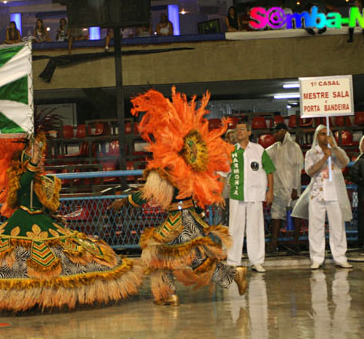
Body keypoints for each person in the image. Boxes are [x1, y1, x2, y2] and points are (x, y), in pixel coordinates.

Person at [0, 134, 143, 311]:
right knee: (13, 261)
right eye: (35, 157)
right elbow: (26, 179)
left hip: (42, 221)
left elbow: (48, 202)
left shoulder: (45, 181)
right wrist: (34, 157)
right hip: (21, 220)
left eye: (40, 156)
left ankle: (42, 297)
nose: (39, 159)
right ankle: (21, 298)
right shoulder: (20, 179)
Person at [111, 88, 248, 306]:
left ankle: (169, 294)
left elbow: (148, 193)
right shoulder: (185, 163)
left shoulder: (167, 165)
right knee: (189, 258)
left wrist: (124, 201)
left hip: (179, 220)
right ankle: (225, 277)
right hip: (190, 216)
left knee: (158, 252)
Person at [292, 125, 352, 269]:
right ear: (317, 137)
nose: (325, 137)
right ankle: (317, 258)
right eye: (322, 134)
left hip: (334, 193)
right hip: (317, 194)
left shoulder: (336, 150)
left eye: (327, 134)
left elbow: (345, 162)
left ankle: (340, 257)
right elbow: (310, 171)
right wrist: (324, 157)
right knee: (315, 227)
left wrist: (334, 150)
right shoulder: (312, 153)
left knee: (337, 226)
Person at [227, 121, 275, 273]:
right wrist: (218, 194)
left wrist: (270, 191)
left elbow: (269, 171)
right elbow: (223, 174)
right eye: (237, 129)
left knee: (255, 228)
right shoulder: (230, 151)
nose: (239, 132)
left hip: (255, 194)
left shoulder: (259, 149)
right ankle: (233, 261)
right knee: (235, 228)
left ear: (249, 132)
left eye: (242, 129)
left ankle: (257, 261)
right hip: (236, 194)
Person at [265, 122, 304, 253]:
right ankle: (273, 243)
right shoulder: (273, 148)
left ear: (284, 131)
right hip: (278, 187)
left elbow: (297, 168)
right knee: (276, 215)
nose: (274, 134)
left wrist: (294, 188)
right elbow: (263, 157)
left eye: (277, 132)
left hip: (292, 188)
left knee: (295, 213)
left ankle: (295, 242)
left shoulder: (294, 147)